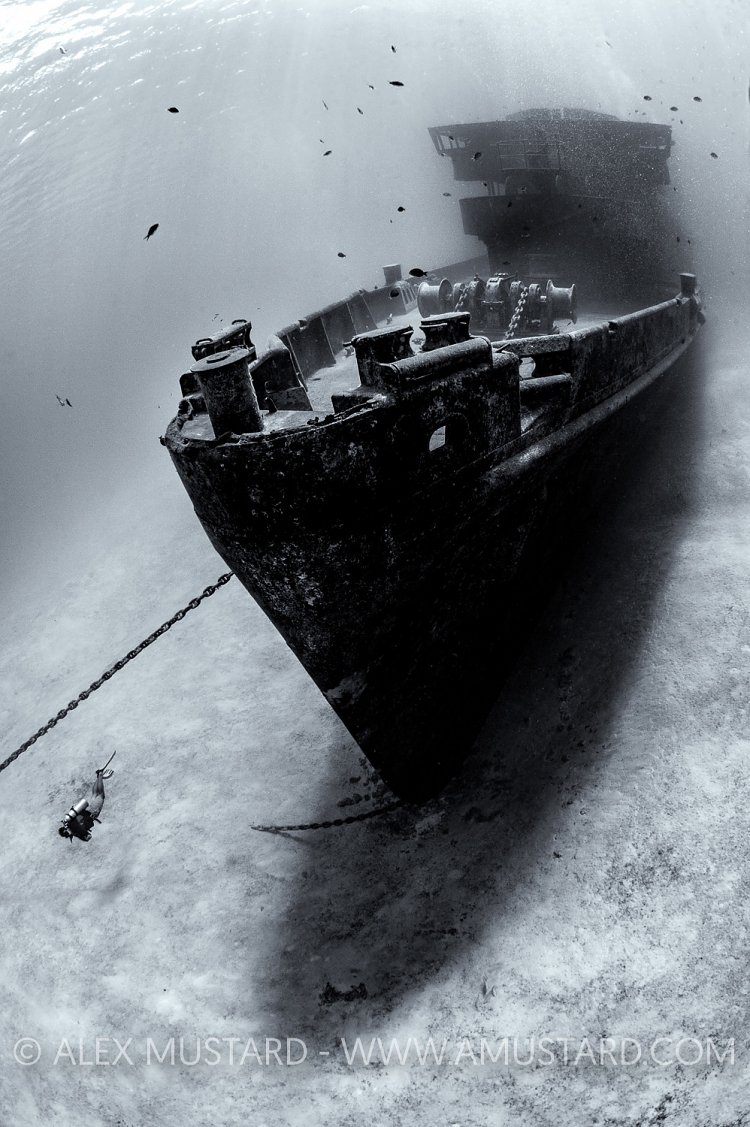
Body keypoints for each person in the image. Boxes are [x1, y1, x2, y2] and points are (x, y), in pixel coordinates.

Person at [58, 754, 114, 842]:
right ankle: (98, 777)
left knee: (101, 795)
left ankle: (100, 775)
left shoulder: (77, 833)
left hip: (92, 812)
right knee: (95, 794)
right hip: (86, 810)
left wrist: (85, 834)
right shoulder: (69, 824)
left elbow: (88, 837)